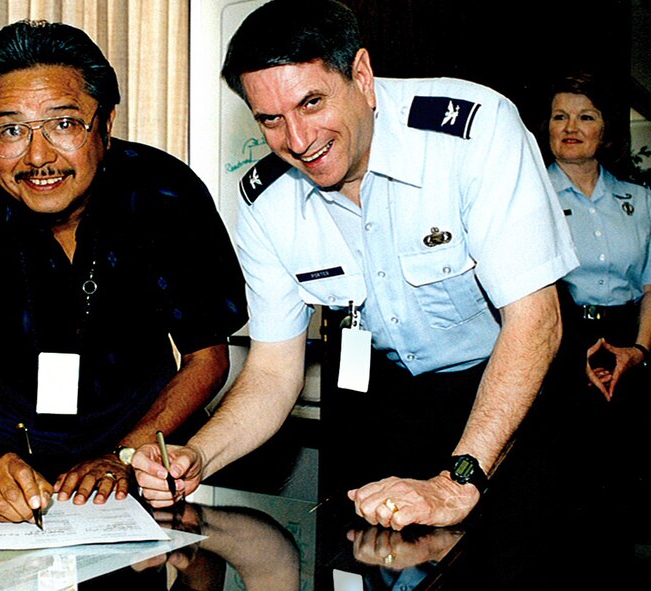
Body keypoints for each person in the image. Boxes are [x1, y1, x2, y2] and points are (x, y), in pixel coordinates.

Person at [134, 0, 578, 534]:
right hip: (394, 403)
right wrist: (199, 457)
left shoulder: (473, 132)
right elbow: (275, 371)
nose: (298, 141)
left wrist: (457, 479)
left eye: (312, 103)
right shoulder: (266, 201)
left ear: (362, 76)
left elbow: (536, 321)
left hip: (516, 390)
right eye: (271, 120)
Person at [0, 20, 247, 526]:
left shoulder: (166, 195)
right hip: (10, 473)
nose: (39, 156)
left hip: (149, 461)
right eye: (10, 131)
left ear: (106, 122)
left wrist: (125, 455)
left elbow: (206, 357)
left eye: (63, 124)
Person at [537, 71, 651, 556]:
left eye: (585, 116)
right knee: (560, 497)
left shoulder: (637, 200)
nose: (571, 126)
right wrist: (571, 350)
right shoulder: (530, 198)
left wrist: (636, 351)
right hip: (553, 344)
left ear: (606, 130)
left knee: (620, 495)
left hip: (624, 347)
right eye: (560, 116)